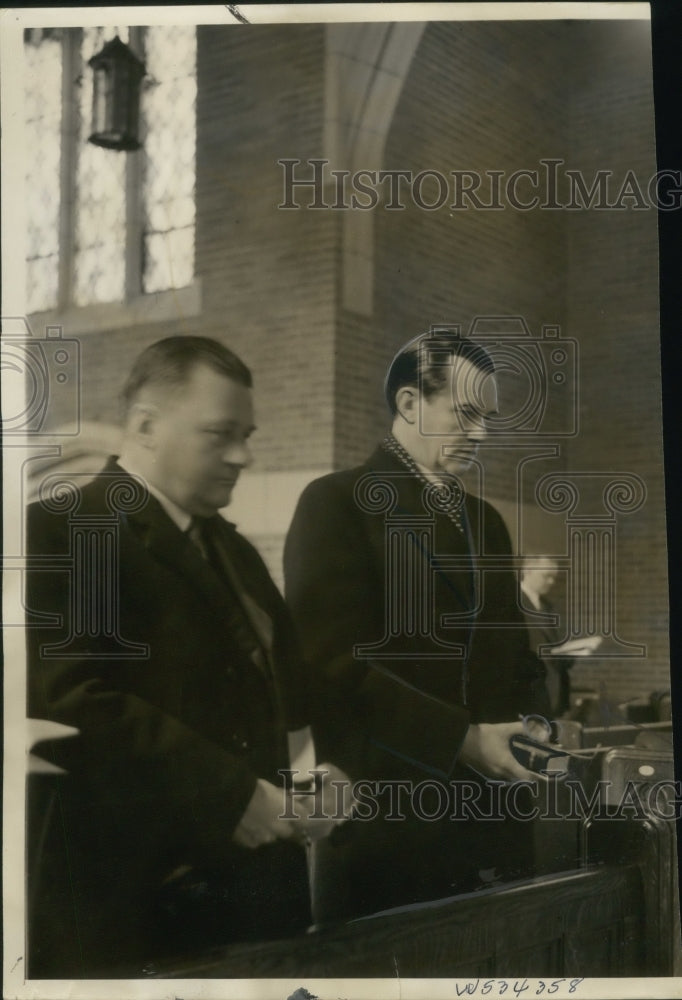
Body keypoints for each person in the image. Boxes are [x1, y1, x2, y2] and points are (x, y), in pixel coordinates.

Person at [26, 336, 340, 977]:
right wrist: (229, 796)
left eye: (246, 435)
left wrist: (318, 773)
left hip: (253, 906)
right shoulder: (58, 531)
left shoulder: (235, 551)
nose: (244, 456)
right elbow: (70, 702)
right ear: (145, 426)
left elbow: (278, 691)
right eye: (220, 434)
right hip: (135, 911)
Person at [284, 329, 551, 923]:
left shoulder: (485, 522)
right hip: (391, 827)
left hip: (496, 820)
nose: (481, 434)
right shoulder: (337, 503)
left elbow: (517, 656)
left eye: (488, 418)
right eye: (465, 413)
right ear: (409, 403)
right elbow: (330, 667)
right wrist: (462, 740)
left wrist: (536, 725)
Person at [520, 556, 574, 718]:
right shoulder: (511, 602)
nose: (551, 582)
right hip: (527, 689)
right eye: (546, 576)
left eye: (553, 577)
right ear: (527, 571)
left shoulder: (547, 606)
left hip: (552, 688)